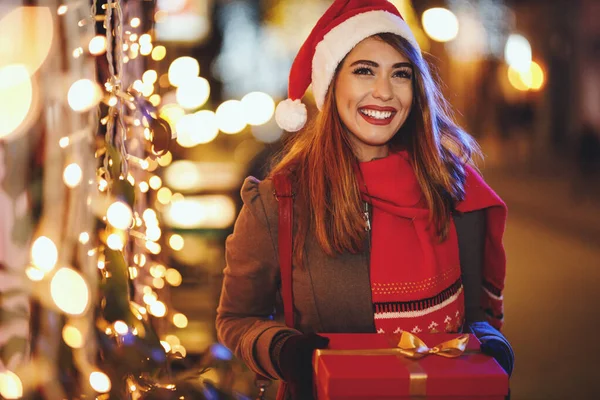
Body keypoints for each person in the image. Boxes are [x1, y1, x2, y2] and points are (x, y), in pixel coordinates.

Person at [216, 1, 514, 399]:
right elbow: (237, 318)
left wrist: (491, 348)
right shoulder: (280, 201)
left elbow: (476, 316)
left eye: (400, 74)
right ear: (332, 83)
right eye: (364, 71)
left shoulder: (453, 189)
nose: (384, 92)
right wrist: (285, 352)